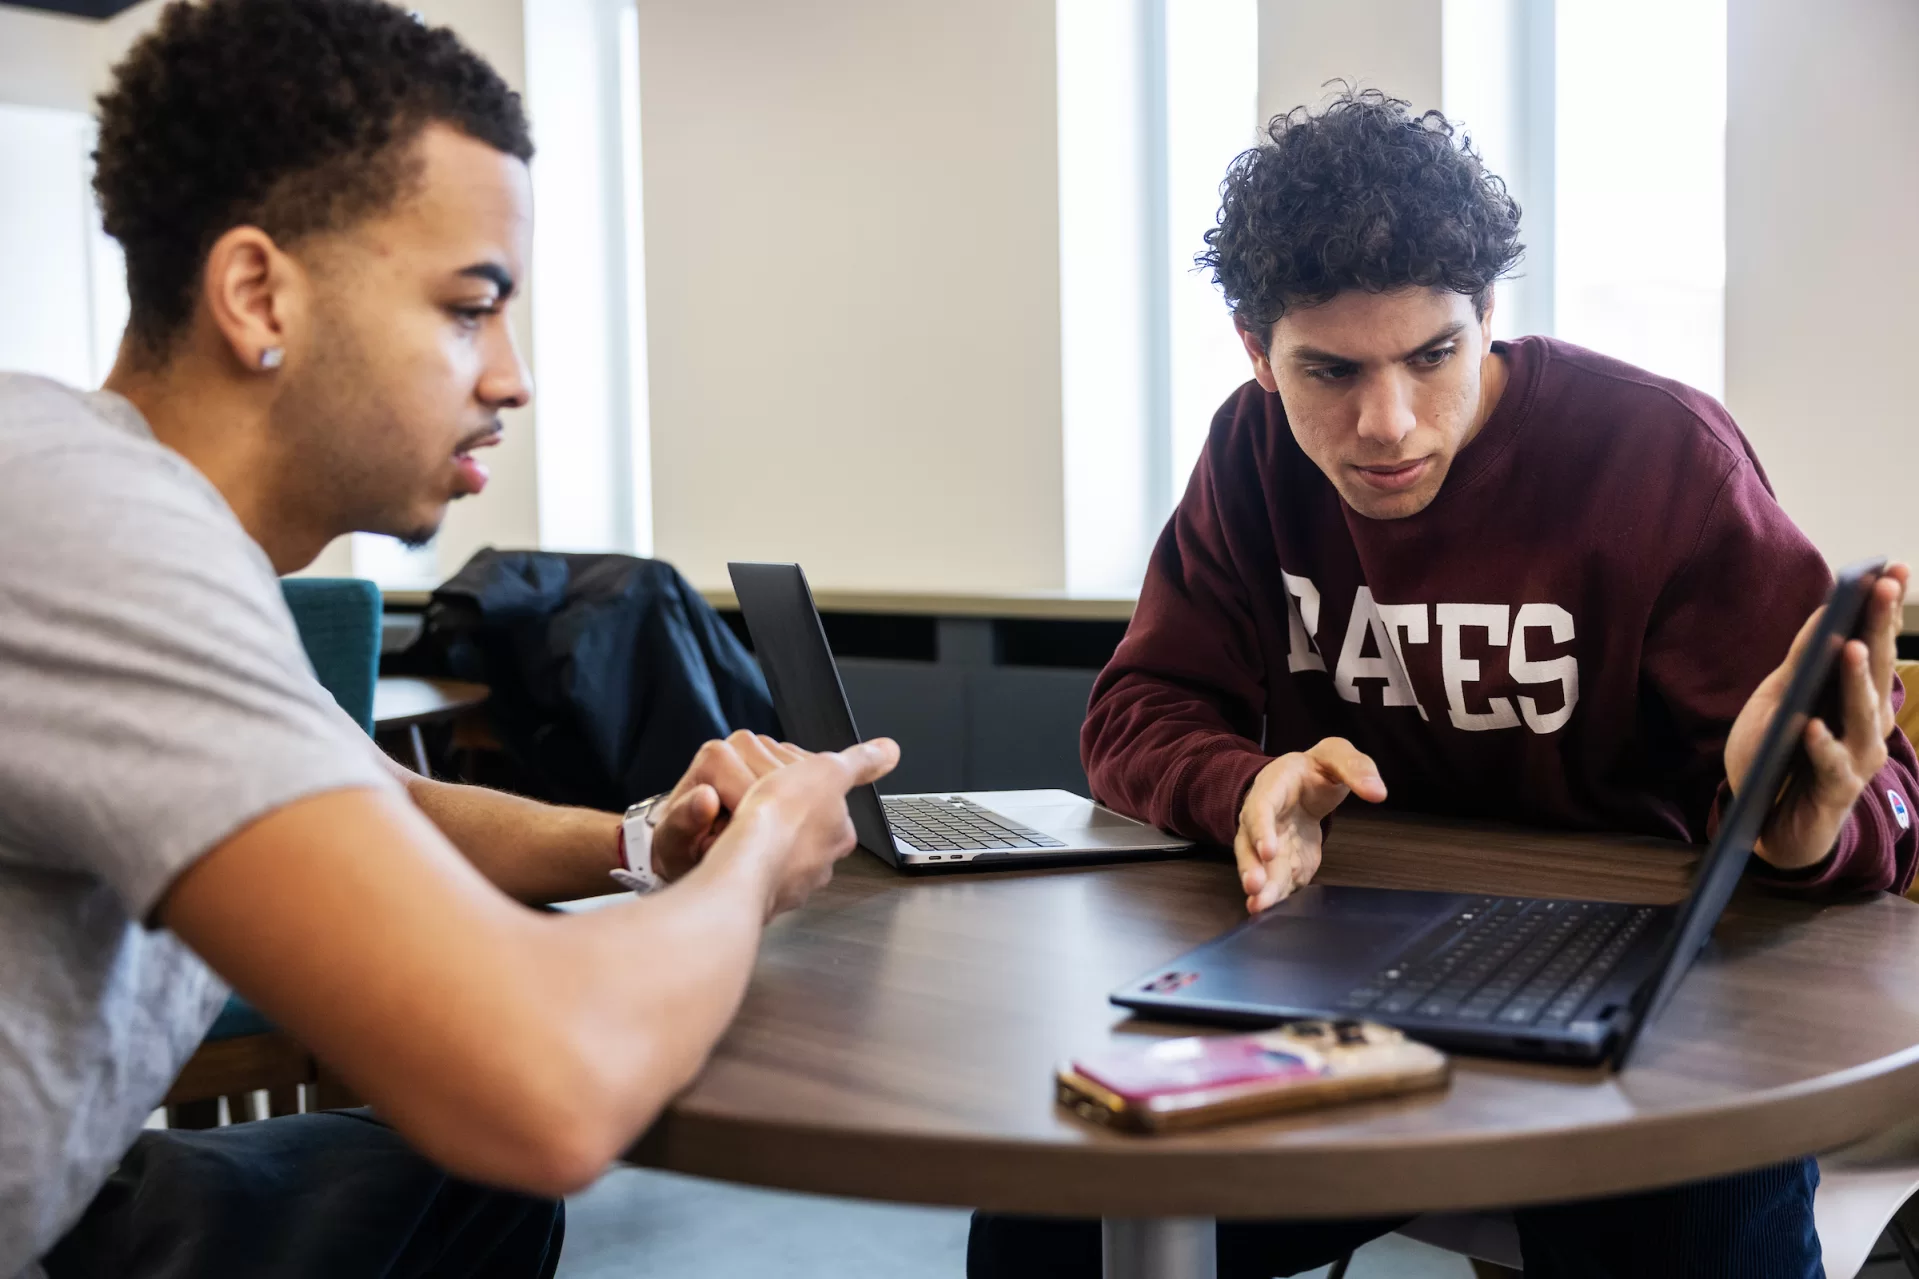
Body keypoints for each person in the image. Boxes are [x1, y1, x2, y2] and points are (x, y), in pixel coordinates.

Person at [0, 2, 897, 1276]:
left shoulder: (131, 516)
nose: (512, 376)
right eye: (471, 308)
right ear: (258, 294)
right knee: (488, 1148)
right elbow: (548, 1090)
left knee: (441, 1193)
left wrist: (648, 842)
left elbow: (382, 803)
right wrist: (754, 864)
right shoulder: (83, 527)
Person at [970, 90, 1918, 1279]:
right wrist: (1243, 780)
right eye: (1327, 371)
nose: (1386, 423)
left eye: (1432, 356)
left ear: (1486, 316)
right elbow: (1135, 710)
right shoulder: (1251, 453)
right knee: (1043, 1221)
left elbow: (1876, 803)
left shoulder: (1661, 459)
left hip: (1634, 1012)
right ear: (1254, 352)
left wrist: (1791, 834)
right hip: (1337, 991)